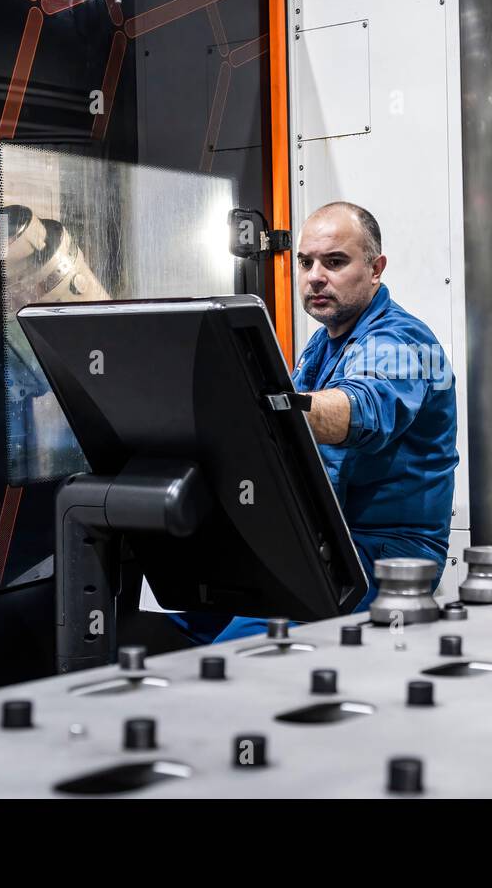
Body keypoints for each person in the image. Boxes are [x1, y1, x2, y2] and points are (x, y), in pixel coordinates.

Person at [171, 202, 458, 643]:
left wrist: (260, 406)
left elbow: (360, 410)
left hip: (386, 555)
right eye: (306, 262)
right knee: (176, 619)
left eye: (335, 261)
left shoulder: (402, 342)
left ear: (376, 268)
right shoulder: (322, 347)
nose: (314, 276)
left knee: (239, 648)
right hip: (323, 541)